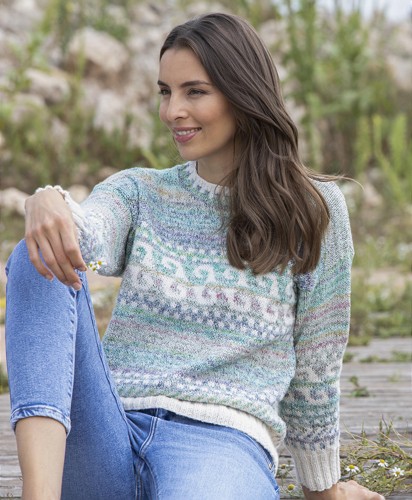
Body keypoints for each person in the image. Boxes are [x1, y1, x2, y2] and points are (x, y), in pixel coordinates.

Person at [5, 12, 384, 500]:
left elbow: (316, 367)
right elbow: (87, 233)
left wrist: (322, 489)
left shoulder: (313, 209)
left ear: (243, 93)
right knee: (39, 255)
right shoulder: (140, 192)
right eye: (166, 92)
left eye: (195, 92)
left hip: (220, 446)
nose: (172, 111)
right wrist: (50, 202)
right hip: (108, 435)